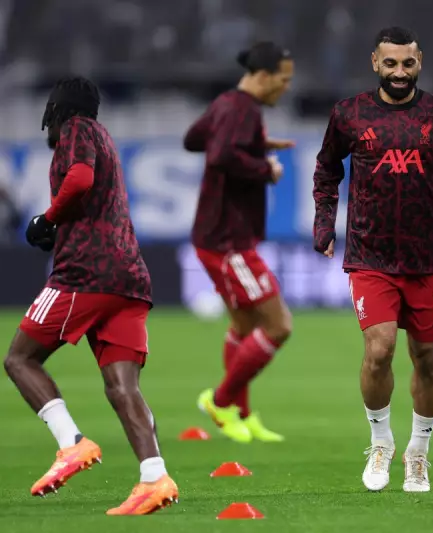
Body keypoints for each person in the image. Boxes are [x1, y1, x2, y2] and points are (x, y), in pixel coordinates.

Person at [312, 27, 433, 493]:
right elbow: (325, 170)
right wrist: (325, 223)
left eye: (407, 63)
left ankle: (418, 452)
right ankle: (380, 441)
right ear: (375, 63)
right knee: (379, 349)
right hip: (370, 255)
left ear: (419, 61)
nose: (399, 72)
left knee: (428, 359)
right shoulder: (349, 114)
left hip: (428, 259)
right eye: (390, 64)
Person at [4, 77, 178, 515]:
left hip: (85, 273)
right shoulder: (104, 137)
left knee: (20, 359)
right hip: (129, 276)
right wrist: (61, 226)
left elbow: (80, 179)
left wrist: (48, 218)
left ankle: (71, 442)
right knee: (123, 387)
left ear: (57, 110)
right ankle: (154, 477)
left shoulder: (76, 128)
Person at [183, 41, 295, 444]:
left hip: (218, 234)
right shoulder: (243, 109)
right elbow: (219, 156)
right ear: (263, 76)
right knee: (278, 326)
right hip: (228, 240)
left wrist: (254, 145)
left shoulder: (226, 103)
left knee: (245, 326)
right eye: (283, 79)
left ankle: (241, 415)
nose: (286, 87)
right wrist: (265, 168)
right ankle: (220, 401)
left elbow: (194, 139)